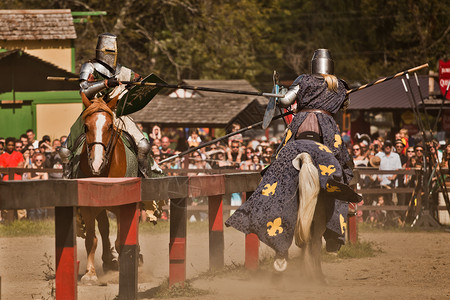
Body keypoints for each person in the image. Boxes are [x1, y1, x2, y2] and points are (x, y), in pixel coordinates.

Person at [226, 49, 360, 256]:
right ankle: (340, 221)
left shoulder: (303, 80)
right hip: (327, 134)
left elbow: (286, 102)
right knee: (342, 169)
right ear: (331, 64)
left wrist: (277, 94)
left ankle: (263, 204)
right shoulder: (340, 85)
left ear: (313, 63)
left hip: (299, 129)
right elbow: (344, 104)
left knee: (277, 166)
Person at [59, 33, 152, 178]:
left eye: (113, 52)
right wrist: (105, 83)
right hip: (93, 110)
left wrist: (138, 83)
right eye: (108, 51)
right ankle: (67, 176)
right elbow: (84, 89)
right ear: (100, 51)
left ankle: (145, 176)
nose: (111, 55)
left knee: (143, 145)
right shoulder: (89, 67)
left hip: (115, 112)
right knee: (65, 149)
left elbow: (137, 78)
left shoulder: (120, 70)